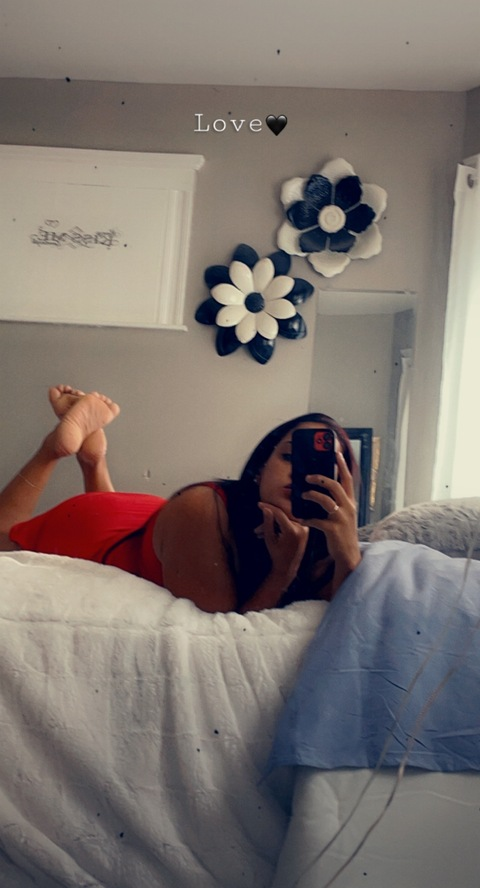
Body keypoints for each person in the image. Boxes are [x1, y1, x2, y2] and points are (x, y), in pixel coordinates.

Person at [0, 385, 361, 613]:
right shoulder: (207, 511)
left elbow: (345, 619)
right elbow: (225, 638)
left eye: (321, 468)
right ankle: (54, 449)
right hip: (103, 527)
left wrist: (346, 548)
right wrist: (282, 572)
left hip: (142, 526)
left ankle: (93, 458)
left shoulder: (325, 549)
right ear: (260, 468)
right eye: (288, 457)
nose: (301, 474)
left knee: (130, 548)